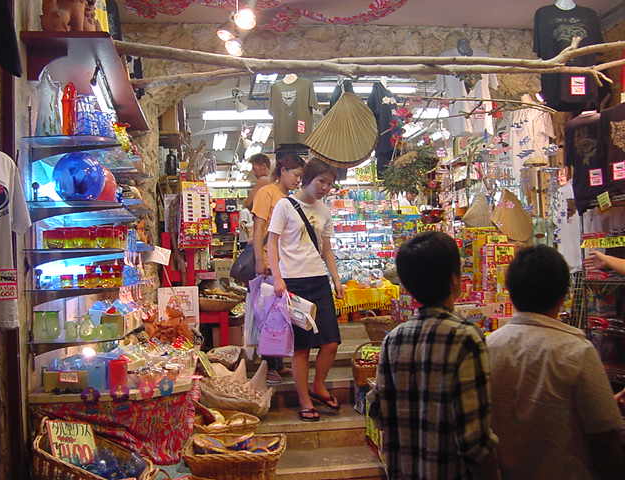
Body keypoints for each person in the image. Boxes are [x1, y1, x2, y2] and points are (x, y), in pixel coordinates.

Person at [369, 231, 500, 479]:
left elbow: (379, 413)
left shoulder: (393, 339)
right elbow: (474, 439)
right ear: (455, 280)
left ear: (406, 286)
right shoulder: (465, 338)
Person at [488, 245, 625, 480]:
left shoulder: (488, 347)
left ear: (510, 292)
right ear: (564, 295)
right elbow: (605, 437)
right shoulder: (577, 351)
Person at [267, 158, 345, 422]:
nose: (325, 188)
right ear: (308, 178)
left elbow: (327, 249)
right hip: (294, 283)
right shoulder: (284, 205)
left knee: (331, 342)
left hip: (319, 281)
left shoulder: (324, 211)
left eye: (329, 184)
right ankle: (304, 400)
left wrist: (336, 279)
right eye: (321, 181)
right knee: (301, 348)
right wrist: (277, 278)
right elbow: (272, 243)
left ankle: (318, 385)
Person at [252, 153, 305, 384]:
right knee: (269, 316)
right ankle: (268, 365)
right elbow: (258, 229)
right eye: (295, 175)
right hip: (267, 262)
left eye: (301, 177)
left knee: (280, 314)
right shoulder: (267, 193)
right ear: (282, 171)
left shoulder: (289, 198)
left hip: (284, 263)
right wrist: (259, 259)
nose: (298, 180)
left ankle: (278, 363)